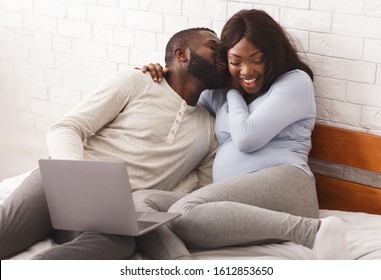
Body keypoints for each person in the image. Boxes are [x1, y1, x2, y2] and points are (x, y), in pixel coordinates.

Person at [136, 9, 350, 260]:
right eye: (235, 62)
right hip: (233, 196)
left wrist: (233, 92)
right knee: (140, 204)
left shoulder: (295, 82)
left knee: (185, 213)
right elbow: (183, 99)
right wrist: (162, 74)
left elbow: (248, 138)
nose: (246, 71)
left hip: (288, 186)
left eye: (257, 59)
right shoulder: (218, 92)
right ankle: (180, 265)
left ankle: (314, 232)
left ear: (273, 54)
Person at [0, 27, 229, 260]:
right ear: (182, 54)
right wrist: (75, 177)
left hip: (109, 215)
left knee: (120, 244)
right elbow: (66, 128)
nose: (223, 54)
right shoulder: (137, 81)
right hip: (60, 185)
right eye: (213, 47)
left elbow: (198, 195)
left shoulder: (209, 131)